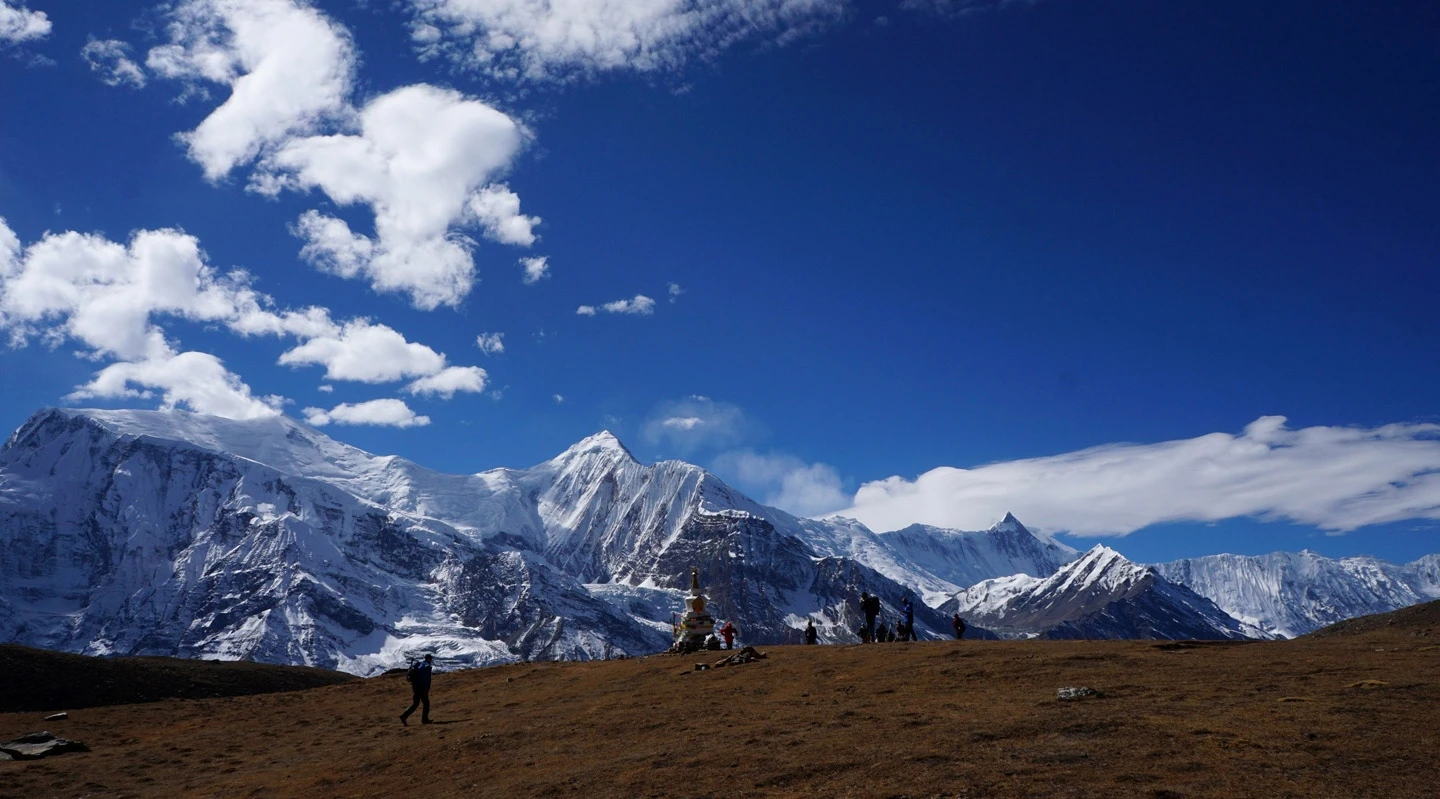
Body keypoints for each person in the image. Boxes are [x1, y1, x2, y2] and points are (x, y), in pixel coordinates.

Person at [400, 654, 433, 725]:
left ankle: (404, 716)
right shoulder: (425, 666)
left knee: (416, 703)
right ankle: (425, 720)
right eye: (430, 659)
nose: (431, 660)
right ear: (428, 659)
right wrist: (425, 688)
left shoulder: (421, 665)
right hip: (421, 688)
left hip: (417, 687)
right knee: (426, 703)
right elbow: (425, 679)